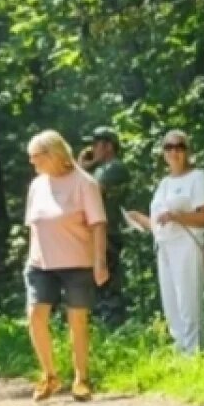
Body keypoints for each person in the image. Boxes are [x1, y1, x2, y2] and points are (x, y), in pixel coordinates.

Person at [23, 129, 110, 402]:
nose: (32, 162)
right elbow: (33, 226)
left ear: (53, 154)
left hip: (77, 262)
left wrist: (100, 262)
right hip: (41, 263)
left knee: (77, 319)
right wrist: (31, 258)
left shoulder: (84, 183)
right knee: (35, 316)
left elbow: (98, 225)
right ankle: (49, 375)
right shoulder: (37, 186)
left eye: (35, 156)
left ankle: (81, 378)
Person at [125, 130, 204, 354]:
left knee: (188, 301)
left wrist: (177, 216)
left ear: (188, 151)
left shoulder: (197, 177)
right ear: (163, 152)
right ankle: (180, 350)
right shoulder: (164, 183)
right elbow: (159, 223)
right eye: (169, 147)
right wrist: (139, 219)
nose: (174, 151)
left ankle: (194, 353)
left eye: (179, 147)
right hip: (164, 246)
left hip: (187, 245)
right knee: (171, 303)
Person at [81, 126, 132, 327]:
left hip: (109, 235)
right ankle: (101, 328)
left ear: (108, 146)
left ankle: (114, 328)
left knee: (108, 285)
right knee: (95, 288)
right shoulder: (98, 170)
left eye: (96, 144)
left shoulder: (114, 168)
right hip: (97, 235)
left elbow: (91, 192)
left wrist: (81, 168)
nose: (92, 149)